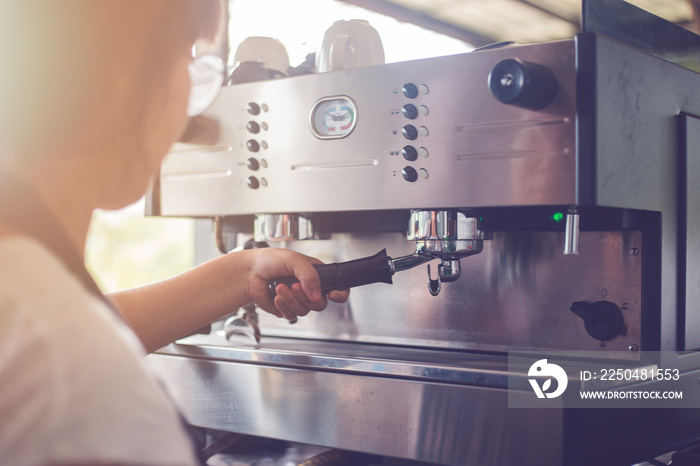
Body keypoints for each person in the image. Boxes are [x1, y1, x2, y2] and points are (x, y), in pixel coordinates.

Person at [0, 1, 348, 464]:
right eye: (188, 56)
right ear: (121, 78)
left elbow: (70, 325)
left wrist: (242, 273)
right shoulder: (74, 382)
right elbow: (63, 344)